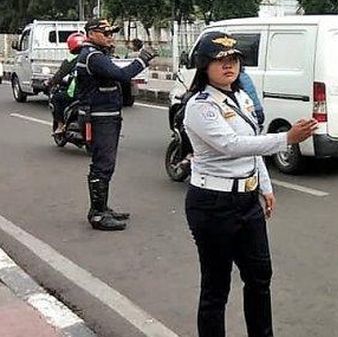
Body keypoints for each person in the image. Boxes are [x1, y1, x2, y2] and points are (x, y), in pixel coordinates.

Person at [183, 31, 317, 337]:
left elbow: (253, 144)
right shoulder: (201, 105)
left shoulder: (241, 96)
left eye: (234, 60)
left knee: (260, 277)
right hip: (213, 204)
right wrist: (286, 139)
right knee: (216, 286)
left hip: (246, 202)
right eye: (220, 61)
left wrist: (265, 187)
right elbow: (232, 145)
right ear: (204, 66)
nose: (229, 66)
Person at [75, 19, 158, 231]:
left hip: (107, 115)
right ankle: (97, 214)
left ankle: (102, 207)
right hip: (99, 117)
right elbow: (121, 75)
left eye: (112, 33)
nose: (110, 36)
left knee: (106, 164)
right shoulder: (93, 56)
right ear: (91, 34)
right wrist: (142, 60)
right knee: (102, 164)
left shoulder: (97, 54)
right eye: (106, 33)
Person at [47, 32, 85, 135]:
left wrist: (50, 83)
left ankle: (60, 125)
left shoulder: (70, 60)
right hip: (92, 93)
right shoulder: (91, 56)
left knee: (56, 98)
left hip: (76, 94)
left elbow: (59, 75)